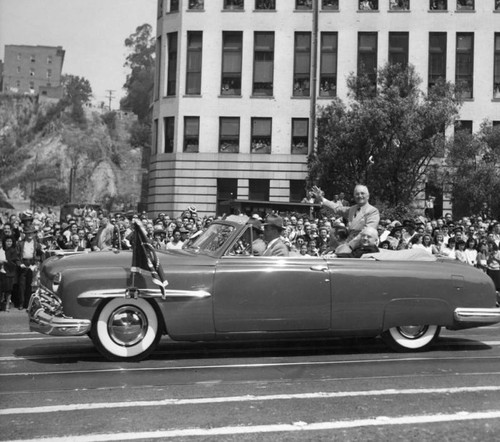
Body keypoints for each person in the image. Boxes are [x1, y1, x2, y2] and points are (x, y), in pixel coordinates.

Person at [312, 184, 380, 239]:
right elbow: (337, 208)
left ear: (368, 196)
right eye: (357, 194)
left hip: (364, 244)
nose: (360, 196)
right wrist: (321, 198)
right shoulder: (352, 209)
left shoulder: (373, 211)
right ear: (354, 196)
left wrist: (349, 245)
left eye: (362, 193)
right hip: (349, 243)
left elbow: (367, 232)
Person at [0, 237, 19, 312]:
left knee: (8, 290)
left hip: (9, 272)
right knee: (1, 290)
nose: (8, 243)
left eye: (10, 241)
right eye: (7, 241)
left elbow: (14, 262)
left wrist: (5, 261)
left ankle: (7, 305)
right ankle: (1, 304)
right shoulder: (2, 250)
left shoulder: (13, 250)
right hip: (1, 272)